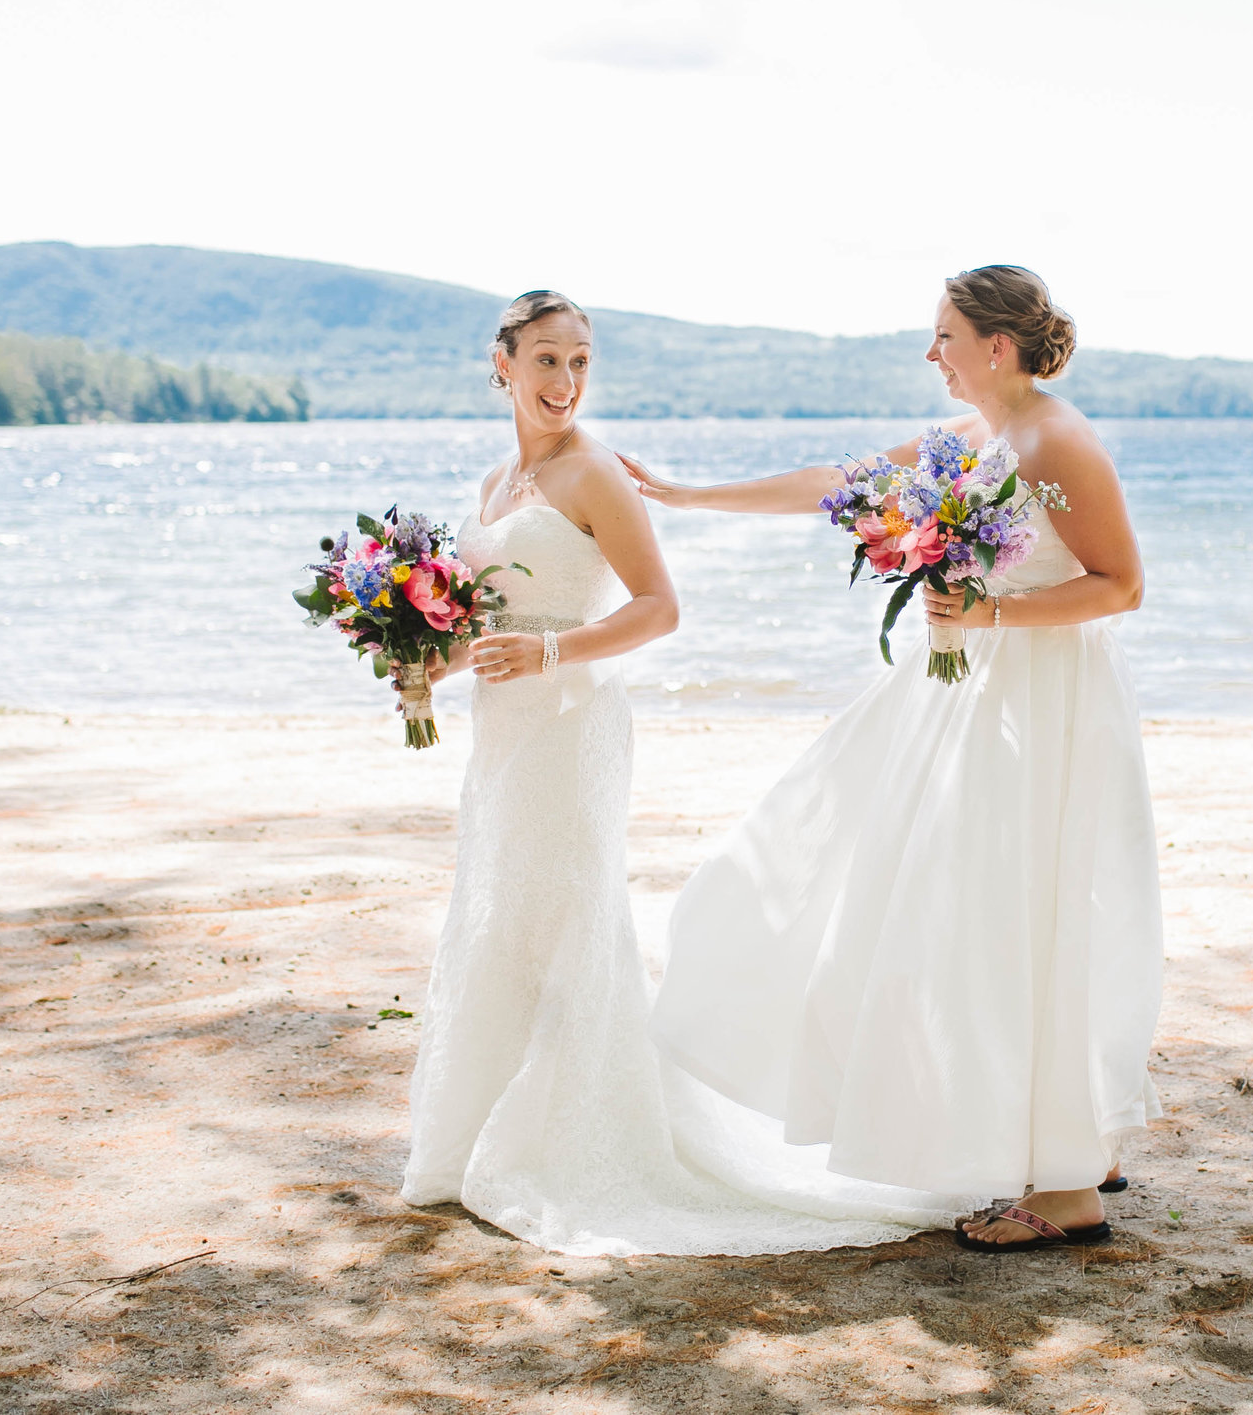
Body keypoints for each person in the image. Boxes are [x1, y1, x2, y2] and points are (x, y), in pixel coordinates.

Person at [399, 290, 969, 1255]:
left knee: (572, 923)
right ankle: (477, 1138)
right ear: (500, 363)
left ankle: (583, 1144)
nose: (566, 382)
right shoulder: (496, 483)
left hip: (572, 726)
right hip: (503, 737)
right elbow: (482, 623)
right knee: (499, 915)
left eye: (580, 361)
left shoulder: (593, 474)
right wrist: (422, 666)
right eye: (546, 360)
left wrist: (549, 654)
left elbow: (660, 608)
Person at [623, 264, 1165, 1252]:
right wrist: (691, 494)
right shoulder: (974, 439)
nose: (931, 353)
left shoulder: (1057, 440)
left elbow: (1120, 583)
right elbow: (842, 483)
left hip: (1041, 702)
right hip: (973, 686)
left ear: (995, 346)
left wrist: (992, 608)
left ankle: (1069, 1189)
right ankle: (1071, 1136)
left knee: (1015, 908)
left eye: (943, 334)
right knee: (973, 905)